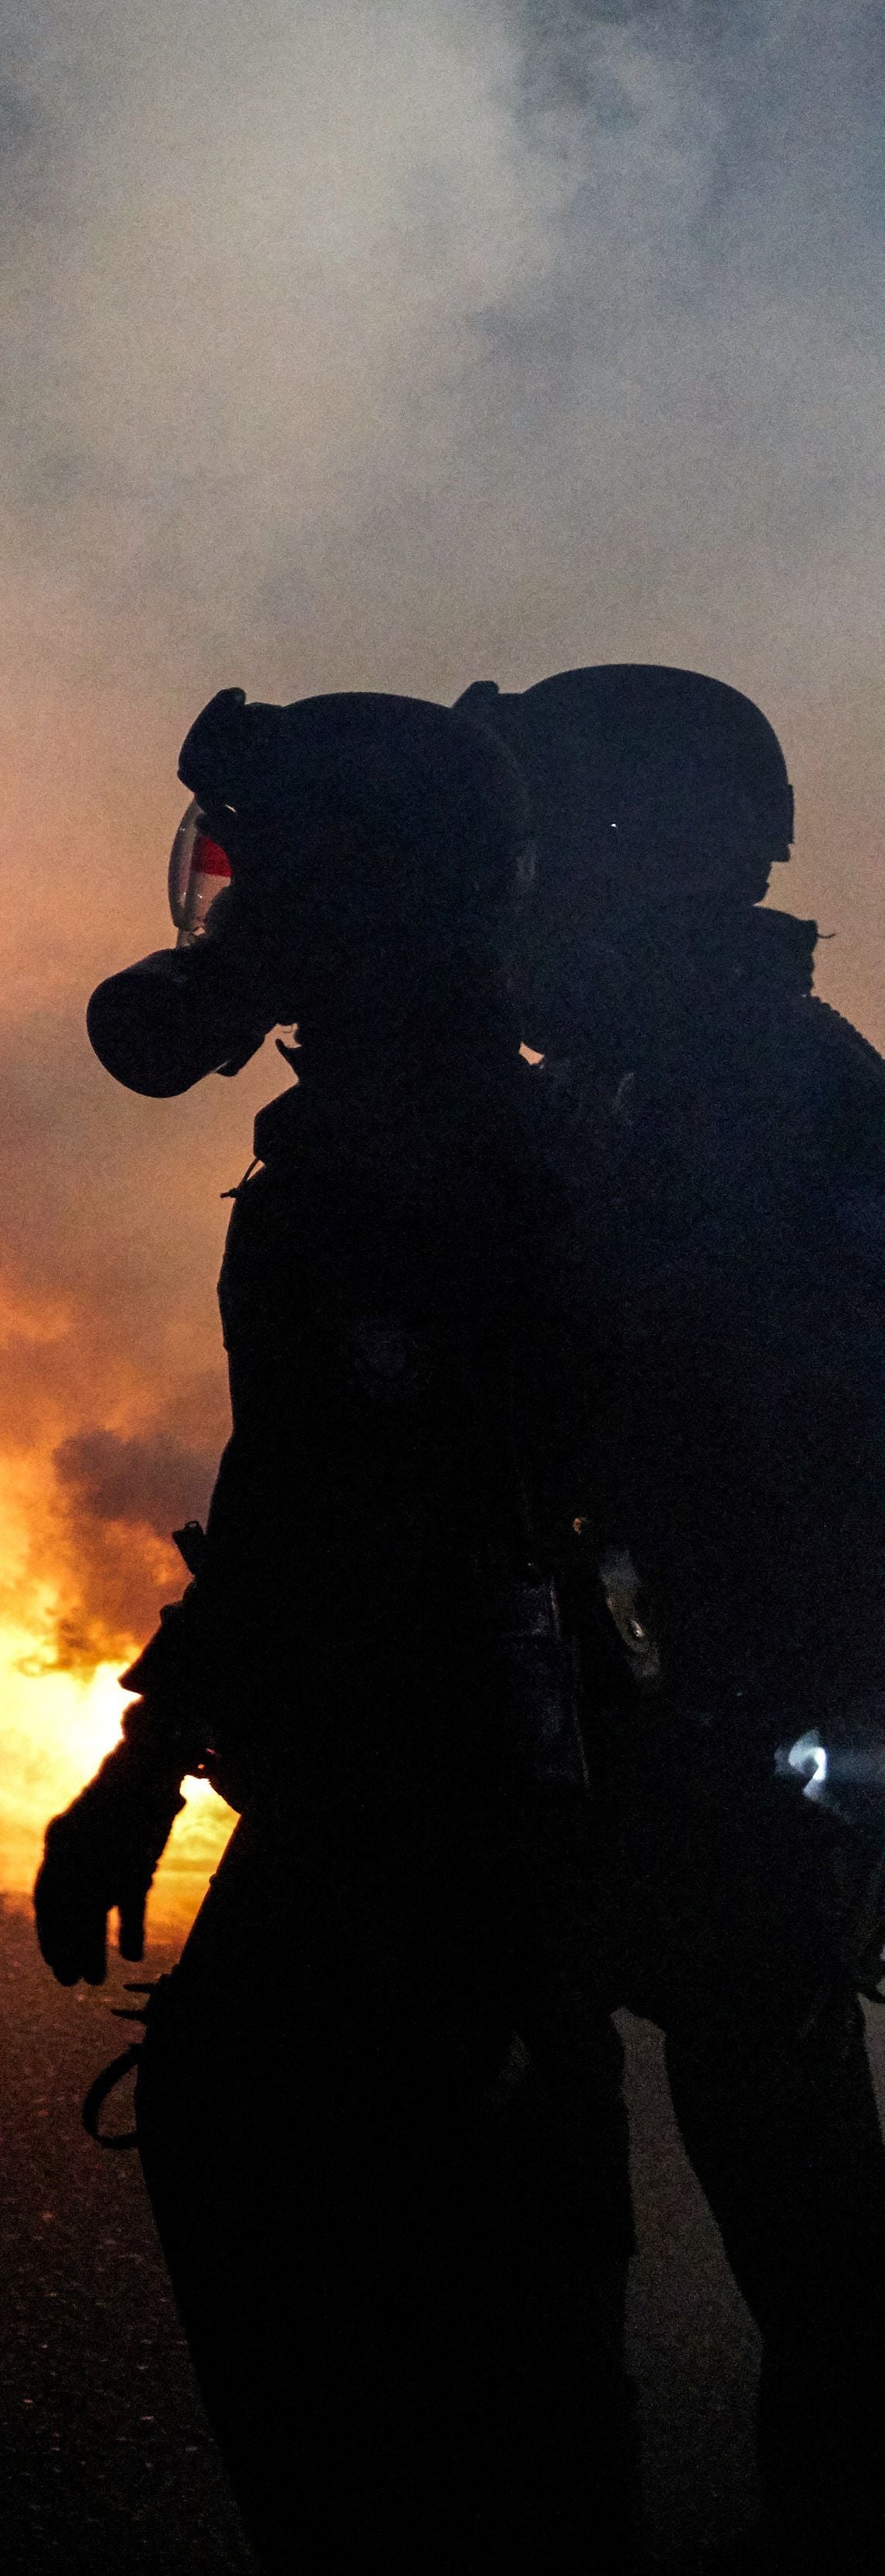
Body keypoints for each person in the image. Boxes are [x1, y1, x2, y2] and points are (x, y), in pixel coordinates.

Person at [35, 690, 636, 2567]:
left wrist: (142, 1768)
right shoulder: (434, 1115)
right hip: (456, 1760)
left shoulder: (407, 1157)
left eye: (259, 867)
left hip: (420, 1776)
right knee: (491, 2250)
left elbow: (346, 1517)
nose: (224, 912)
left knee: (328, 2206)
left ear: (346, 894)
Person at [460, 664, 885, 2551]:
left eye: (551, 845)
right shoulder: (648, 1069)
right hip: (667, 1690)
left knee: (777, 2139)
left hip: (724, 1702)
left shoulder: (766, 1096)